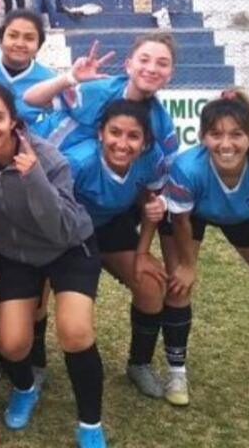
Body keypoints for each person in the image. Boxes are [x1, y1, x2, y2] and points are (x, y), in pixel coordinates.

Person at [0, 81, 107, 448]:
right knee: (12, 345)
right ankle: (25, 388)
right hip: (18, 255)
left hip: (69, 246)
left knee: (74, 332)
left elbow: (58, 226)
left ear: (14, 120)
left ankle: (90, 424)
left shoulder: (47, 159)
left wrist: (35, 180)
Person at [163, 89, 249, 405]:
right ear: (202, 136)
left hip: (241, 217)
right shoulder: (187, 168)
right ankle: (176, 372)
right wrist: (188, 265)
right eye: (216, 134)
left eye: (236, 134)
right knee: (179, 286)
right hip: (190, 217)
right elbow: (180, 222)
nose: (226, 144)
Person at [65, 100, 169, 399]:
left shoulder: (151, 160)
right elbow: (52, 208)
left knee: (151, 285)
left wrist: (142, 253)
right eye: (115, 132)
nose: (122, 143)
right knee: (40, 289)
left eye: (133, 136)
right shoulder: (78, 162)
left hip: (111, 227)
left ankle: (140, 364)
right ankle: (35, 364)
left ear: (145, 141)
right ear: (100, 133)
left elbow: (149, 201)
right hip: (69, 233)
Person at [24, 33, 177, 161]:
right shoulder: (98, 90)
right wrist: (71, 77)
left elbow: (170, 165)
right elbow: (30, 98)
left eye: (162, 64)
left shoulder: (161, 123)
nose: (151, 69)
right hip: (34, 157)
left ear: (171, 75)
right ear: (128, 66)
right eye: (144, 60)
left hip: (78, 182)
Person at [0, 9, 57, 127]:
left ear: (39, 44)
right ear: (1, 38)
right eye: (13, 36)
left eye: (29, 38)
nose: (19, 44)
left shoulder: (49, 81)